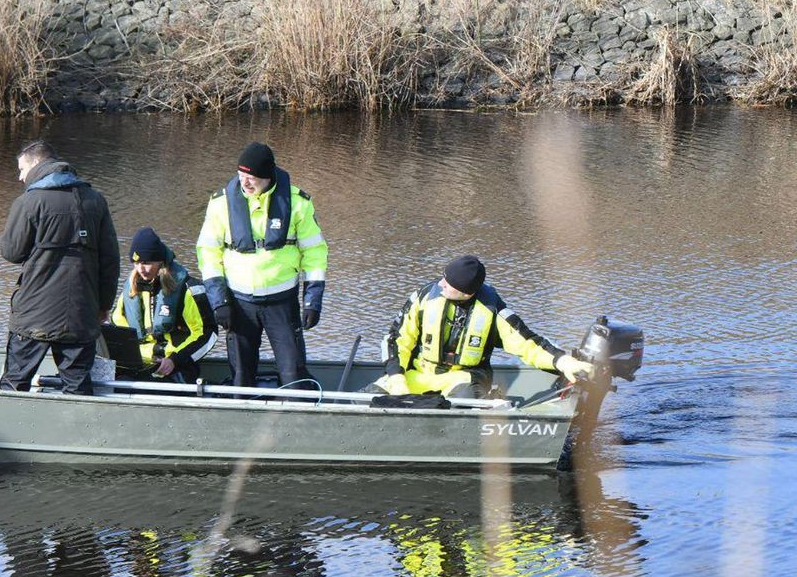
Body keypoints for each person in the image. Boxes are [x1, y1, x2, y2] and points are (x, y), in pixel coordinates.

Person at [196, 142, 328, 388]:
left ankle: (295, 420)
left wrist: (313, 300)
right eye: (241, 176)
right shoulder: (220, 204)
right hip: (239, 304)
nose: (245, 183)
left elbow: (315, 252)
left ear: (267, 177)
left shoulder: (298, 203)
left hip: (282, 303)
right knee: (241, 377)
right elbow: (208, 252)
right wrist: (219, 301)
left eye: (252, 177)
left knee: (293, 375)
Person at [371, 255, 592, 398]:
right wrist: (396, 376)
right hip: (418, 373)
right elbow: (397, 338)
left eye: (447, 284)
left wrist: (562, 361)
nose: (440, 285)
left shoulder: (491, 309)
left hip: (464, 378)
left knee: (463, 407)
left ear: (466, 292)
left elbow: (527, 343)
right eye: (443, 279)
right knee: (368, 398)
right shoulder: (424, 297)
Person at [0, 140, 120, 393]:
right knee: (77, 388)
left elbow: (11, 252)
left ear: (36, 163)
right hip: (81, 312)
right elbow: (110, 262)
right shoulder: (95, 200)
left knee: (14, 384)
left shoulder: (28, 202)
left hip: (34, 314)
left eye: (21, 170)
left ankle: (10, 430)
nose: (20, 178)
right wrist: (103, 306)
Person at [111, 227, 218, 383]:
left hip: (176, 365)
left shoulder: (189, 289)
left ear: (160, 261)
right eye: (136, 263)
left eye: (147, 263)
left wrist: (175, 360)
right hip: (141, 364)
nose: (141, 269)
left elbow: (207, 334)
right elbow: (117, 326)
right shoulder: (131, 290)